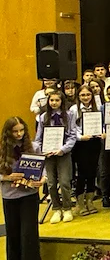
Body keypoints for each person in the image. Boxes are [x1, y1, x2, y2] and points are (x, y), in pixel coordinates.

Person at [1, 116, 45, 260]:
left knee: (29, 234)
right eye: (15, 131)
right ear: (8, 132)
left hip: (29, 196)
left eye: (21, 130)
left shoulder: (34, 147)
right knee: (13, 234)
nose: (19, 134)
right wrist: (7, 177)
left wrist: (43, 179)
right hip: (10, 196)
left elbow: (43, 168)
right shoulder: (2, 149)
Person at [33, 91, 77, 224]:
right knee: (51, 183)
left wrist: (63, 149)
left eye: (57, 100)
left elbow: (72, 136)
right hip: (48, 155)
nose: (54, 103)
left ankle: (67, 208)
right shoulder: (43, 117)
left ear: (62, 101)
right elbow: (38, 138)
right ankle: (56, 208)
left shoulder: (69, 115)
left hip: (63, 153)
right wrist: (42, 151)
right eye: (51, 100)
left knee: (64, 182)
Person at [72, 85, 102, 216]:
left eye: (88, 95)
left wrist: (102, 132)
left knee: (92, 172)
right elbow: (71, 129)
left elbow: (101, 124)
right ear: (78, 96)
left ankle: (90, 201)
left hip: (94, 143)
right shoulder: (74, 109)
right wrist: (80, 137)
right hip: (80, 144)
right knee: (81, 174)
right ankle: (80, 203)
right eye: (82, 95)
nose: (85, 97)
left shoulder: (97, 107)